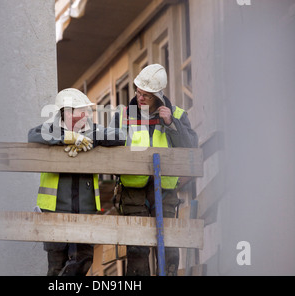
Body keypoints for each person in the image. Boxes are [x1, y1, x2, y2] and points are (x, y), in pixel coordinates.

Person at [112, 64, 198, 276]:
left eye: (147, 95)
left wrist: (171, 123)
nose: (140, 98)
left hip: (165, 190)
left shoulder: (176, 115)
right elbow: (111, 148)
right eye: (138, 92)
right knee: (137, 250)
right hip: (133, 191)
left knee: (169, 247)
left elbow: (190, 148)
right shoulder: (123, 116)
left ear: (158, 97)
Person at [28, 88, 124, 276]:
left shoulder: (91, 130)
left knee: (85, 258)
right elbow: (33, 135)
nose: (86, 114)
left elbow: (119, 136)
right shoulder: (50, 130)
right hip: (54, 209)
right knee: (56, 266)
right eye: (82, 110)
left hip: (84, 209)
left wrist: (90, 139)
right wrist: (66, 138)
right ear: (67, 112)